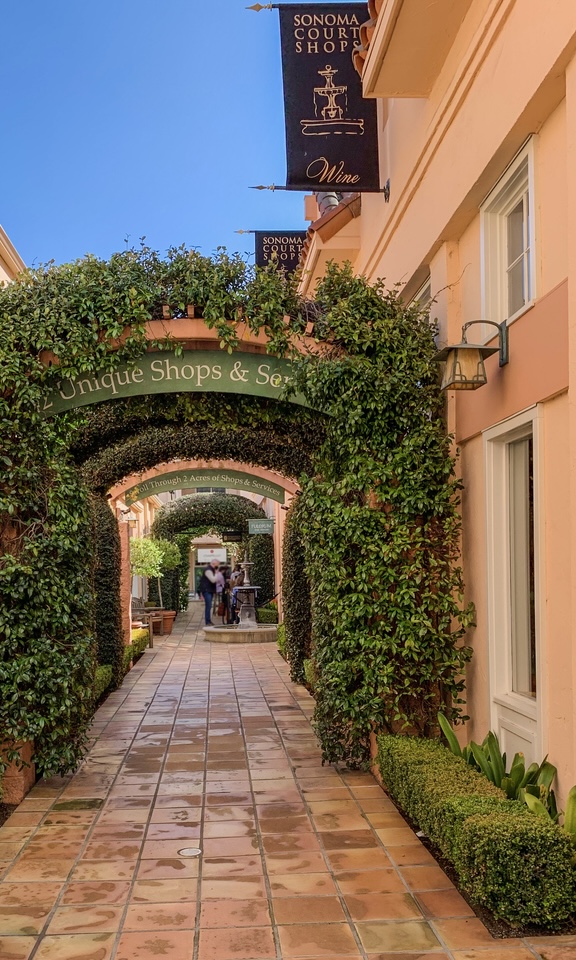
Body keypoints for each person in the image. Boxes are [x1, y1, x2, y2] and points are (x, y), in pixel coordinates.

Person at [198, 561, 219, 627]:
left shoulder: (210, 570)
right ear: (213, 564)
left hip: (209, 590)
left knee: (209, 606)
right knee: (208, 606)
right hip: (207, 590)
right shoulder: (208, 570)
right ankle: (207, 621)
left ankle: (208, 621)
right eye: (217, 565)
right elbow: (213, 580)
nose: (217, 567)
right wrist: (216, 573)